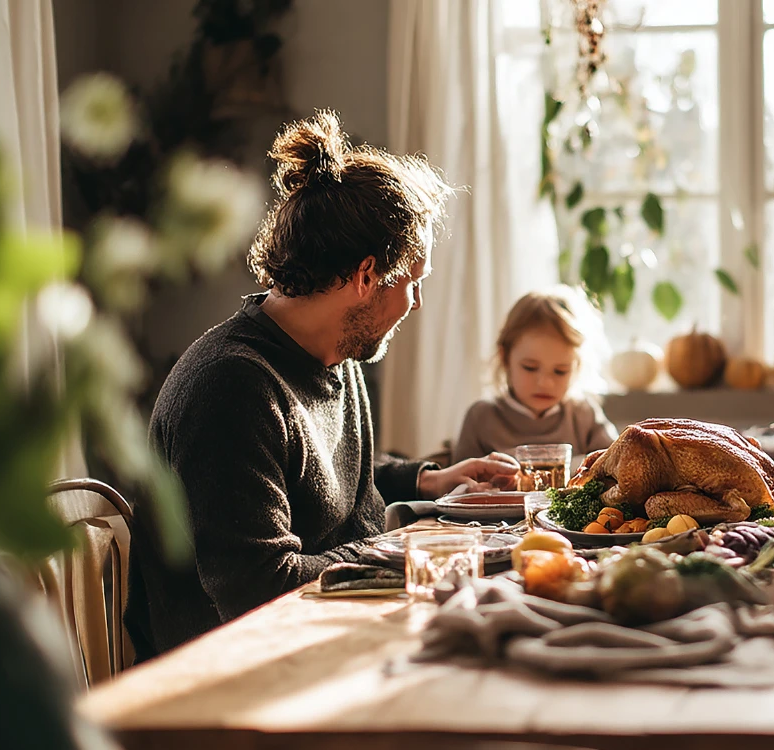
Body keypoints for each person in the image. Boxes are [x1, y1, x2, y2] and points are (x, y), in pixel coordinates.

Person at [127, 111, 519, 658]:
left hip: (335, 632)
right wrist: (407, 551)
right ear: (365, 277)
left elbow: (317, 476)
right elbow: (258, 587)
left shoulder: (334, 353)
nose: (416, 303)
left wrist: (430, 481)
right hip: (242, 673)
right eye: (413, 282)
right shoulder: (230, 387)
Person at [451, 286, 618, 464]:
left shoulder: (583, 415)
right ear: (505, 357)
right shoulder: (481, 417)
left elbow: (615, 463)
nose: (545, 383)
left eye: (560, 371)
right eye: (530, 368)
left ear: (577, 366)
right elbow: (459, 483)